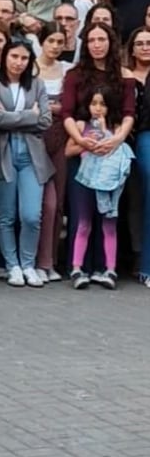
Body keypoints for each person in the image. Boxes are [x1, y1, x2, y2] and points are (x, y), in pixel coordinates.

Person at [61, 21, 135, 284]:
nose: (96, 45)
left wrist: (116, 139)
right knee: (82, 215)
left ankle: (108, 269)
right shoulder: (75, 75)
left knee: (108, 216)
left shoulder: (124, 76)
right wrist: (81, 139)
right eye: (91, 40)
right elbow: (67, 113)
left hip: (112, 153)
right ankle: (78, 268)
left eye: (101, 39)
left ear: (110, 42)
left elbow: (128, 114)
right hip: (82, 151)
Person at [0, 38, 53, 288]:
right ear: (5, 57)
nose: (18, 62)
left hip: (32, 154)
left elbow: (45, 121)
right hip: (2, 152)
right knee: (6, 215)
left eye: (24, 58)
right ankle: (12, 266)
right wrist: (28, 115)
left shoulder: (37, 84)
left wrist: (16, 117)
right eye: (14, 57)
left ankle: (28, 264)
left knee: (32, 215)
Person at [66, 88, 134, 289]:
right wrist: (85, 144)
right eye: (94, 103)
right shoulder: (81, 125)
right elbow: (68, 151)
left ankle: (110, 269)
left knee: (109, 225)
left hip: (109, 182)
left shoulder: (116, 126)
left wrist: (105, 130)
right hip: (86, 180)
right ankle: (77, 268)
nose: (97, 108)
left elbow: (120, 148)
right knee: (84, 223)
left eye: (102, 104)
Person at [35, 23, 73, 281]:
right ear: (42, 41)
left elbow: (71, 106)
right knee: (39, 203)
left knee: (58, 202)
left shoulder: (68, 71)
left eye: (60, 41)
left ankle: (51, 261)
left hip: (61, 139)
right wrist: (53, 108)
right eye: (51, 41)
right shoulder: (32, 69)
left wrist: (51, 108)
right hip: (35, 138)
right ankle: (36, 259)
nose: (56, 46)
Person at [128, 28, 150, 289]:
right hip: (131, 140)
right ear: (131, 49)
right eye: (140, 43)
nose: (145, 47)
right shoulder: (123, 76)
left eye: (149, 43)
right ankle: (145, 264)